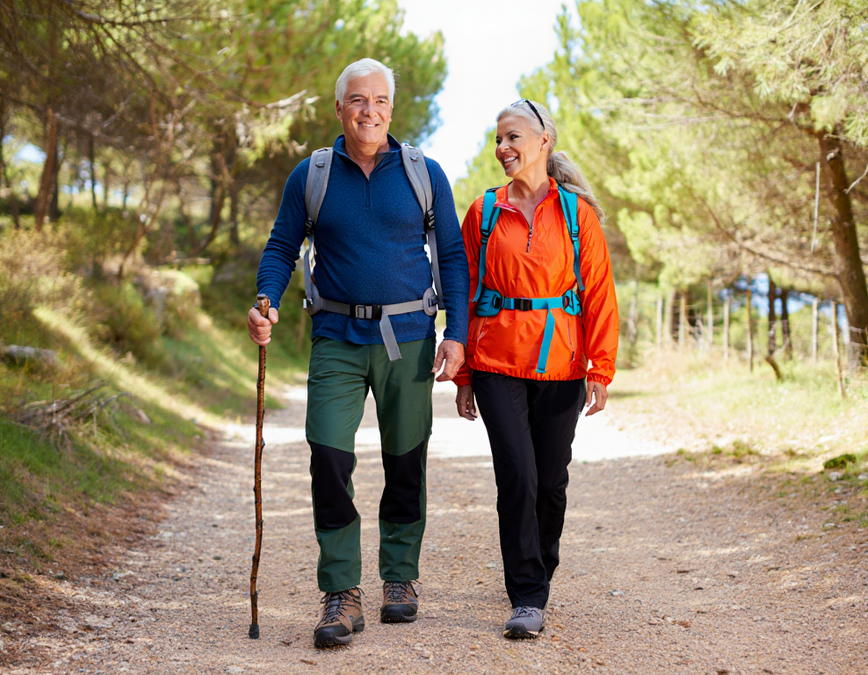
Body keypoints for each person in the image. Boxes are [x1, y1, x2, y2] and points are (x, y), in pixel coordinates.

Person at [247, 58, 468, 649]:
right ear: (339, 107)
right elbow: (281, 245)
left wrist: (457, 332)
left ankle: (400, 579)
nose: (369, 111)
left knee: (405, 458)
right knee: (327, 454)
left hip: (411, 338)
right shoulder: (312, 175)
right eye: (357, 100)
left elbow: (450, 254)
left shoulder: (424, 173)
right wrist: (265, 299)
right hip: (336, 338)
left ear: (391, 110)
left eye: (379, 101)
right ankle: (341, 591)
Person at [454, 99, 618, 639]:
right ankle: (526, 593)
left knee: (551, 482)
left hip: (563, 366)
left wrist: (601, 365)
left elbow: (598, 293)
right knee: (517, 476)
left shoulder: (577, 214)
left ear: (544, 141)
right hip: (498, 363)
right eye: (497, 139)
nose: (503, 148)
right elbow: (465, 293)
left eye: (513, 137)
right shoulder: (482, 212)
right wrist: (464, 375)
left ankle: (540, 565)